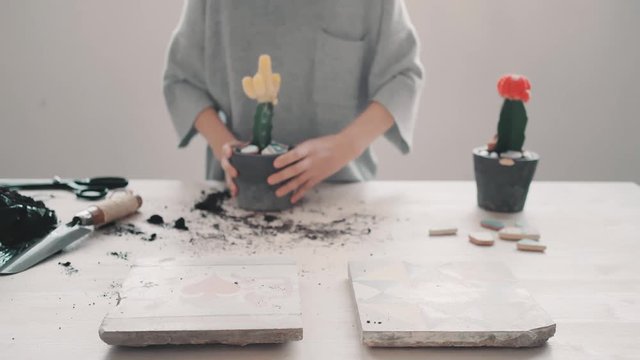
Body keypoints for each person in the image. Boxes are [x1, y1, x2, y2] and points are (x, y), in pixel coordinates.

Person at [164, 0, 423, 204]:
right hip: (236, 202)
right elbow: (182, 80)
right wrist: (228, 149)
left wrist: (343, 146)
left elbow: (403, 77)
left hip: (344, 197)